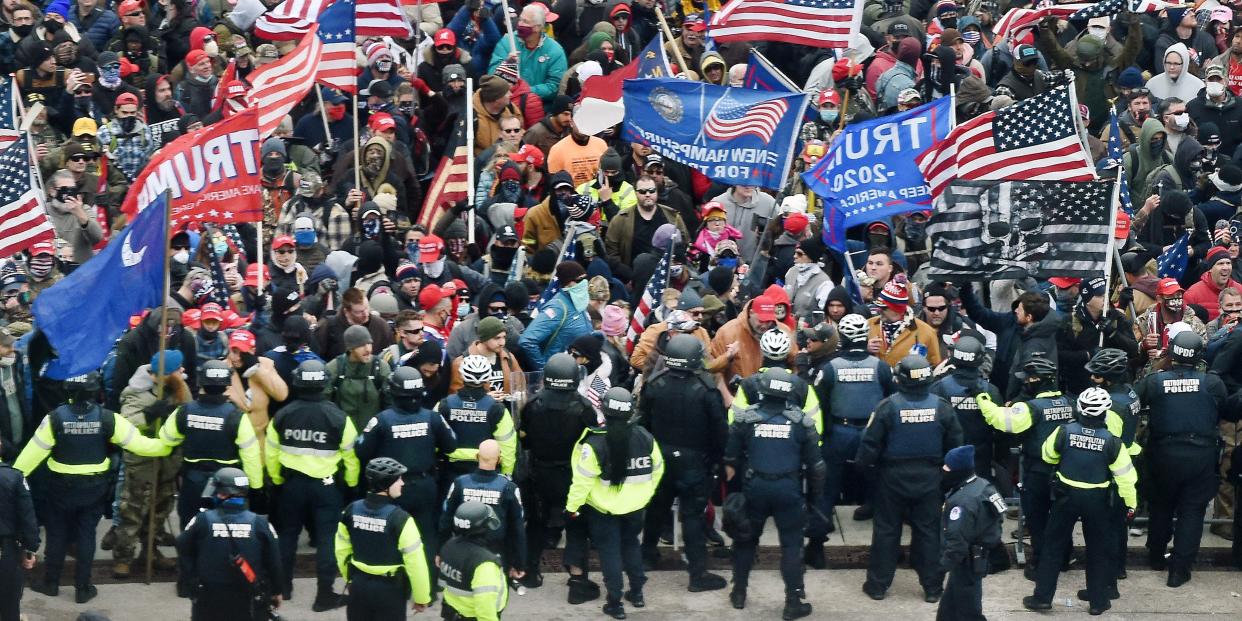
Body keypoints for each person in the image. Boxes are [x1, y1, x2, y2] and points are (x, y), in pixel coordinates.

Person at [17, 372, 167, 603]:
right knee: (87, 536)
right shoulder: (108, 419)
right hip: (94, 490)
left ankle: (51, 583)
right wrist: (168, 444)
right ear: (96, 391)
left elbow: (28, 459)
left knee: (56, 536)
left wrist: (10, 478)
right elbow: (143, 446)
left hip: (60, 490)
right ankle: (83, 589)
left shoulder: (55, 419)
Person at [857, 355, 964, 603]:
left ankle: (877, 586)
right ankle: (932, 588)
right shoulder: (942, 407)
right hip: (930, 477)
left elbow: (868, 448)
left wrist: (871, 475)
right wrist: (945, 477)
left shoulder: (887, 406)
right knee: (928, 533)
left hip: (892, 477)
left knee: (886, 531)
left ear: (900, 379)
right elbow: (956, 446)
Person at [1022, 388, 1138, 615]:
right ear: (1105, 413)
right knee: (1097, 550)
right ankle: (1098, 601)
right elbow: (1126, 479)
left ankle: (1042, 597)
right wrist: (1131, 505)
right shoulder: (1113, 443)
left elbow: (1048, 455)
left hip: (1065, 497)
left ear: (1079, 409)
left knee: (1052, 548)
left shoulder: (1063, 432)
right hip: (1098, 500)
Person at [1134, 331, 1237, 587]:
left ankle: (1156, 556)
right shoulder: (1212, 383)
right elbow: (1226, 411)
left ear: (1172, 352)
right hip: (1200, 455)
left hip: (1163, 454)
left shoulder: (1155, 381)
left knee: (1160, 506)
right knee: (1192, 512)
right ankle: (1179, 570)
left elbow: (1132, 401)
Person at [724, 367, 824, 619]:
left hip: (755, 486)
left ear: (762, 390)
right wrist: (815, 502)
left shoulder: (746, 420)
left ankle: (739, 593)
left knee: (745, 540)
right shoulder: (801, 422)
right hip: (788, 489)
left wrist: (734, 496)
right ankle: (793, 602)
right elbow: (817, 468)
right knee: (791, 545)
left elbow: (730, 460)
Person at [265, 360, 360, 611]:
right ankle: (324, 595)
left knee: (287, 536)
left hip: (291, 485)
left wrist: (276, 481)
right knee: (329, 539)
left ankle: (282, 588)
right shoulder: (339, 416)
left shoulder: (282, 415)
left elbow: (271, 454)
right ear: (324, 384)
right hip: (326, 487)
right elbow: (351, 457)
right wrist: (350, 486)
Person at [636, 334, 728, 591]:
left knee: (656, 510)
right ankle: (697, 574)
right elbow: (719, 431)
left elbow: (643, 424)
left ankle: (647, 556)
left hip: (660, 459)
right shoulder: (707, 389)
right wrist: (719, 461)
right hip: (694, 462)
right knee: (693, 517)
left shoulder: (654, 384)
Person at [974, 354, 1075, 580]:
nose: (1024, 382)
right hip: (1066, 472)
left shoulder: (1033, 407)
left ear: (1037, 380)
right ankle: (1065, 558)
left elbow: (1003, 421)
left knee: (1037, 520)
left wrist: (982, 399)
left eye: (1028, 378)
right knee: (1061, 517)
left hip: (1038, 471)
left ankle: (1039, 564)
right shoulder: (1070, 402)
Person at [566, 387, 663, 620]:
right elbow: (658, 469)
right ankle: (637, 593)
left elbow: (581, 481)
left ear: (604, 410)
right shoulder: (645, 437)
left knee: (610, 553)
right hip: (636, 507)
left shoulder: (595, 443)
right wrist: (644, 496)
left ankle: (615, 603)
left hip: (604, 510)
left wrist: (572, 507)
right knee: (631, 546)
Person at [355, 367, 457, 581]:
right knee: (426, 534)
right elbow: (451, 445)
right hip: (425, 485)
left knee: (392, 534)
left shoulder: (381, 420)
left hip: (391, 487)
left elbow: (361, 450)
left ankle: (396, 581)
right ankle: (428, 584)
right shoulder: (432, 418)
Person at [807, 314, 894, 564]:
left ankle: (818, 541)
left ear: (842, 338)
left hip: (839, 431)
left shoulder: (829, 369)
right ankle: (880, 524)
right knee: (879, 480)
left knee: (827, 485)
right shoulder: (881, 367)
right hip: (872, 431)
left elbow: (818, 405)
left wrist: (821, 436)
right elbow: (892, 400)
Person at [517, 353, 597, 590]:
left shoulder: (533, 405)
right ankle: (577, 578)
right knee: (576, 526)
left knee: (536, 524)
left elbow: (526, 441)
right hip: (572, 476)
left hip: (540, 473)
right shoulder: (584, 408)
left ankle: (530, 572)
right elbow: (591, 443)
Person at [158, 360, 263, 529]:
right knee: (224, 529)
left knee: (189, 526)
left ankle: (189, 555)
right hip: (227, 485)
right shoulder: (236, 416)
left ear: (201, 382)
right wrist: (256, 486)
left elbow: (166, 440)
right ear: (227, 385)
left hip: (192, 481)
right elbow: (251, 455)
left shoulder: (184, 411)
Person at [114, 349, 192, 579]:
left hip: (168, 461)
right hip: (142, 461)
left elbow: (187, 410)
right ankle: (123, 556)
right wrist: (149, 416)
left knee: (159, 511)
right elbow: (127, 422)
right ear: (164, 373)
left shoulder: (178, 386)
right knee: (133, 511)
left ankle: (151, 552)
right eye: (177, 369)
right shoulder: (135, 391)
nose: (182, 372)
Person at [175, 467, 283, 621]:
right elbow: (275, 561)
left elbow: (183, 546)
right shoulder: (260, 523)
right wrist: (276, 591)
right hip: (249, 597)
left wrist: (190, 581)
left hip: (208, 596)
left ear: (222, 493)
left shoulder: (202, 520)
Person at [335, 457, 433, 620]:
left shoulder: (350, 510)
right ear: (386, 484)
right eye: (398, 479)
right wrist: (422, 597)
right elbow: (416, 563)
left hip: (358, 586)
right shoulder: (401, 518)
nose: (402, 483)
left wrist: (350, 579)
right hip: (390, 591)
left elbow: (341, 551)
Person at [936, 445, 1005, 621]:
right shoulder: (984, 485)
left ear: (958, 471)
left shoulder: (962, 501)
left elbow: (957, 542)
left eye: (948, 467)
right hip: (976, 556)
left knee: (969, 612)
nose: (944, 470)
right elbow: (999, 516)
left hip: (966, 560)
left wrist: (941, 568)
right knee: (949, 609)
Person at [440, 439, 525, 573]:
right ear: (499, 459)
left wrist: (441, 551)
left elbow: (446, 519)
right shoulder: (508, 487)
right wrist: (519, 563)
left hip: (462, 549)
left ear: (477, 456)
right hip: (497, 553)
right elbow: (517, 528)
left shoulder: (459, 483)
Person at [930, 336, 1002, 478]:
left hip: (947, 461)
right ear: (980, 359)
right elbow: (1001, 430)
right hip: (980, 461)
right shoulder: (990, 390)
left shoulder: (938, 388)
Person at [437, 355, 517, 477]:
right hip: (486, 471)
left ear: (461, 374)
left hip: (450, 470)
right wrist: (507, 473)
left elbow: (434, 439)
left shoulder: (444, 405)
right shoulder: (497, 409)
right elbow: (507, 445)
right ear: (488, 377)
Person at [437, 501, 510, 621]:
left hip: (452, 612)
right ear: (482, 527)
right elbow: (485, 608)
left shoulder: (448, 546)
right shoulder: (485, 564)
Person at [0, 436, 37, 621]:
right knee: (8, 603)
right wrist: (30, 548)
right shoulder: (14, 477)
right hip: (5, 549)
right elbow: (27, 518)